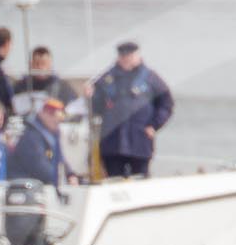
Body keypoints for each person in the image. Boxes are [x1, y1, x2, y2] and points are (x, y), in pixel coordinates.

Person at [93, 41, 174, 179]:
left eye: (130, 56)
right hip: (112, 143)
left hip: (140, 142)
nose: (126, 59)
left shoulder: (150, 78)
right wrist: (91, 95)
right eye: (123, 56)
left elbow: (166, 104)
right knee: (113, 181)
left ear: (137, 56)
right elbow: (96, 108)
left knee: (141, 182)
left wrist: (154, 125)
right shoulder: (106, 79)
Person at [10, 99, 66, 191]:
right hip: (25, 186)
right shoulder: (31, 136)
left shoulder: (53, 133)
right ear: (42, 114)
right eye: (51, 115)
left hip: (44, 183)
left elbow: (60, 157)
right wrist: (60, 179)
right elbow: (39, 167)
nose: (56, 120)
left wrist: (70, 174)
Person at [16, 46, 83, 113]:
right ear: (31, 65)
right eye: (37, 64)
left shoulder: (61, 86)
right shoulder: (22, 85)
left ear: (50, 64)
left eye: (43, 63)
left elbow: (74, 106)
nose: (40, 67)